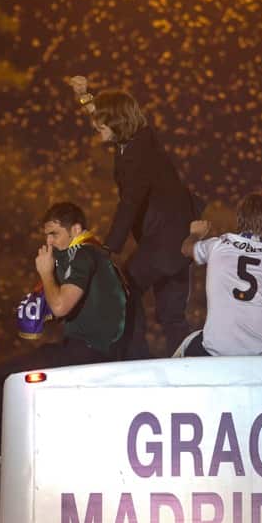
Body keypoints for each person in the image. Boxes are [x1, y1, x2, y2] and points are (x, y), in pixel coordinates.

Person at [0, 202, 127, 495]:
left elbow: (61, 305)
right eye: (46, 236)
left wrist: (46, 273)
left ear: (76, 229)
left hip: (84, 351)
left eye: (55, 234)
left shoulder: (84, 253)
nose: (49, 242)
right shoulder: (92, 255)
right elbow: (42, 320)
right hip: (88, 349)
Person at [69, 75, 202, 359]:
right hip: (177, 241)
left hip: (164, 241)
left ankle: (135, 356)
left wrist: (107, 249)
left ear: (116, 124)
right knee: (171, 316)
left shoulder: (137, 156)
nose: (96, 129)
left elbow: (129, 204)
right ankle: (191, 365)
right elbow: (108, 115)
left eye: (101, 126)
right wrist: (86, 98)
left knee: (124, 285)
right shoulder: (139, 138)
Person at [176, 193, 262, 356]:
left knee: (187, 344)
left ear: (239, 219)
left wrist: (195, 233)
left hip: (218, 348)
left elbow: (186, 249)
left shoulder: (218, 245)